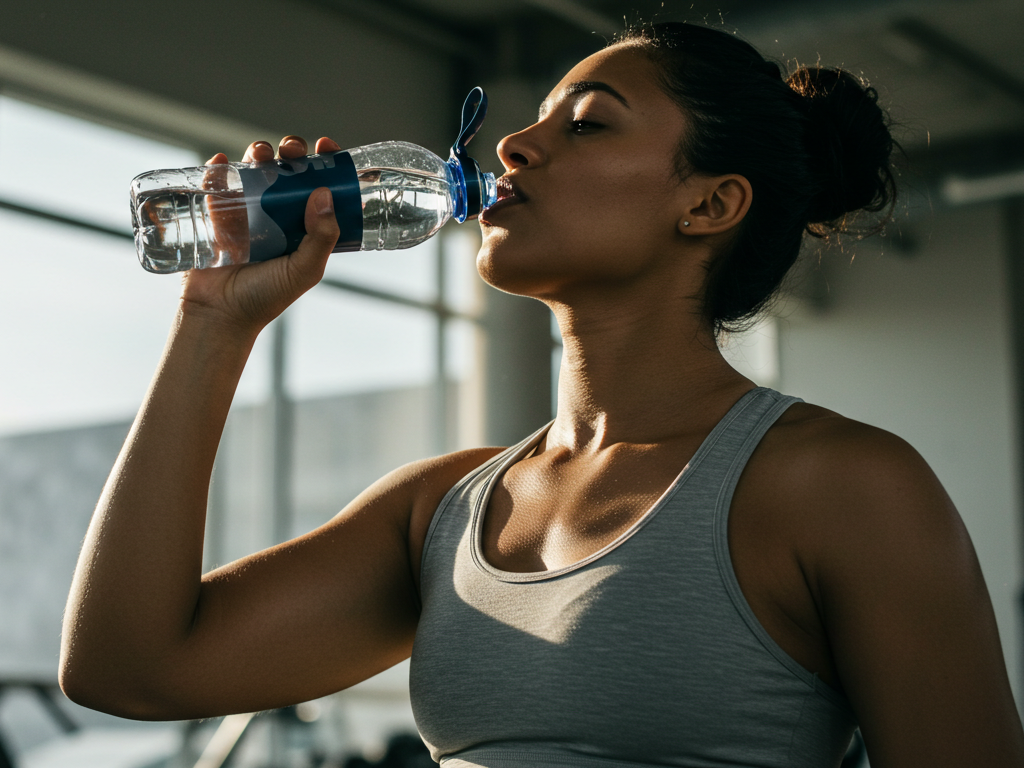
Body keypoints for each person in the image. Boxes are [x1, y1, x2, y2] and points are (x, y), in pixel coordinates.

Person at [59, 21, 1024, 767]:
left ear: (709, 204)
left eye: (589, 121)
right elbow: (127, 667)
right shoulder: (441, 510)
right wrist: (214, 322)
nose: (513, 145)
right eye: (535, 118)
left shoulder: (841, 487)